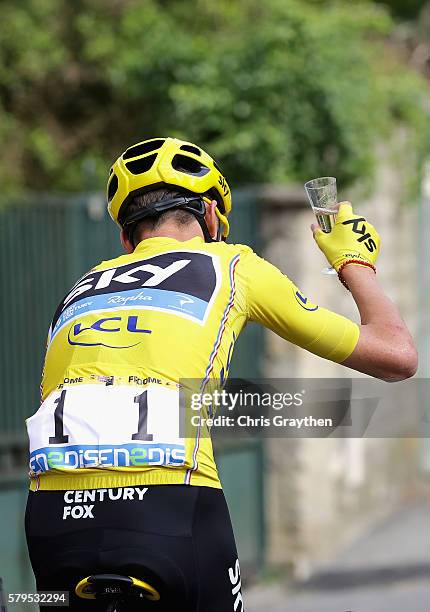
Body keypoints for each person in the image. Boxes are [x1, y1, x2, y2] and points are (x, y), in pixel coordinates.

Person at [25, 137, 417, 611]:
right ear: (211, 217)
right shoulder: (233, 264)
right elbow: (397, 357)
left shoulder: (76, 293)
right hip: (171, 511)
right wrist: (354, 261)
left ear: (126, 239)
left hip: (55, 521)